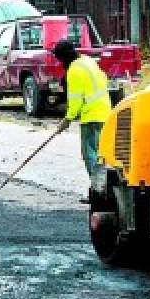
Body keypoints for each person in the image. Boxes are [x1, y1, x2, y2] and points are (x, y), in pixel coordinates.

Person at [51, 39, 111, 188]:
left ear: (64, 57)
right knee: (102, 155)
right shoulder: (88, 61)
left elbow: (75, 100)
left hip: (91, 117)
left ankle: (98, 189)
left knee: (89, 155)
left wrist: (67, 119)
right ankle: (104, 188)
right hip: (105, 111)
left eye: (59, 59)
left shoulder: (74, 71)